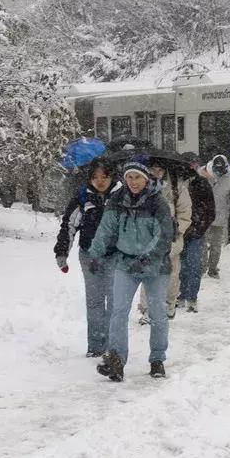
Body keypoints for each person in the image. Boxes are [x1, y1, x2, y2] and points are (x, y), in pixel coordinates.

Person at [88, 161, 173, 381]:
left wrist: (145, 259)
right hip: (125, 263)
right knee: (118, 312)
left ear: (146, 179)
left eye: (137, 177)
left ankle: (157, 359)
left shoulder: (158, 202)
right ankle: (116, 360)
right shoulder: (117, 201)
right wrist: (95, 254)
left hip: (156, 266)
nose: (133, 182)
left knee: (157, 313)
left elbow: (163, 237)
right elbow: (106, 229)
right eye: (129, 178)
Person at [54, 157, 120, 357]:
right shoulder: (83, 197)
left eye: (104, 176)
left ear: (112, 176)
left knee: (115, 301)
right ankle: (95, 346)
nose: (100, 181)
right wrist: (62, 251)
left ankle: (113, 345)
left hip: (115, 255)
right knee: (94, 301)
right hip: (89, 255)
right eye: (95, 177)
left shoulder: (121, 196)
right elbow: (69, 225)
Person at [137, 157, 192, 321]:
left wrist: (177, 230)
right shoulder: (142, 186)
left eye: (160, 170)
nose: (156, 173)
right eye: (153, 169)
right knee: (147, 273)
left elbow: (185, 212)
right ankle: (146, 309)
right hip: (148, 239)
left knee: (172, 275)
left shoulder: (177, 186)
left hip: (171, 239)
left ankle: (169, 304)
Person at [178, 153, 214, 312]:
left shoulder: (202, 184)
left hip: (194, 233)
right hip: (179, 232)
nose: (191, 166)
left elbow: (210, 211)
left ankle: (191, 297)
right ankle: (180, 295)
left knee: (192, 265)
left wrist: (199, 229)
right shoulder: (176, 184)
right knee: (180, 266)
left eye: (193, 163)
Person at [199, 154, 230, 278]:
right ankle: (202, 267)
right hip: (204, 216)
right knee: (201, 242)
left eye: (220, 171)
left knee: (216, 245)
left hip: (219, 217)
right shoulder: (204, 173)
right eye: (216, 170)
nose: (218, 173)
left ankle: (213, 269)